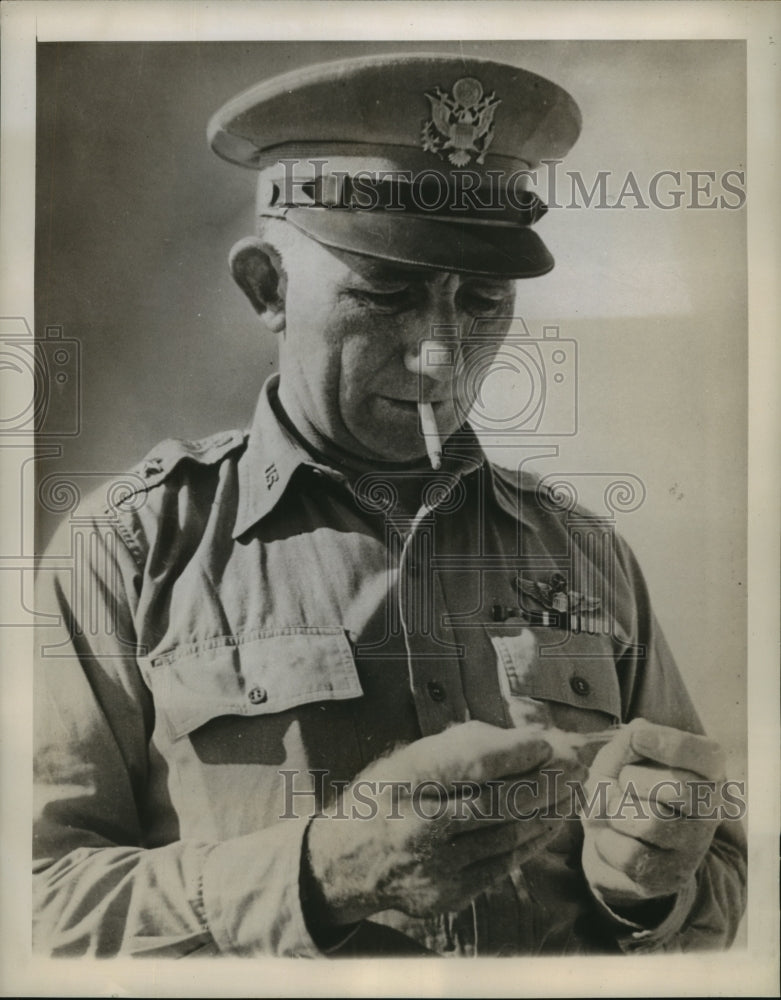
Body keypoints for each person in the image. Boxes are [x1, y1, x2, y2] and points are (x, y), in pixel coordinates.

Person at [33, 52, 746, 957]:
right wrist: (317, 876)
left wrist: (649, 888)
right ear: (268, 287)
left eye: (484, 299)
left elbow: (718, 874)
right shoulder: (128, 550)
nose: (443, 356)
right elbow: (33, 905)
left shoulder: (585, 552)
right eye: (386, 295)